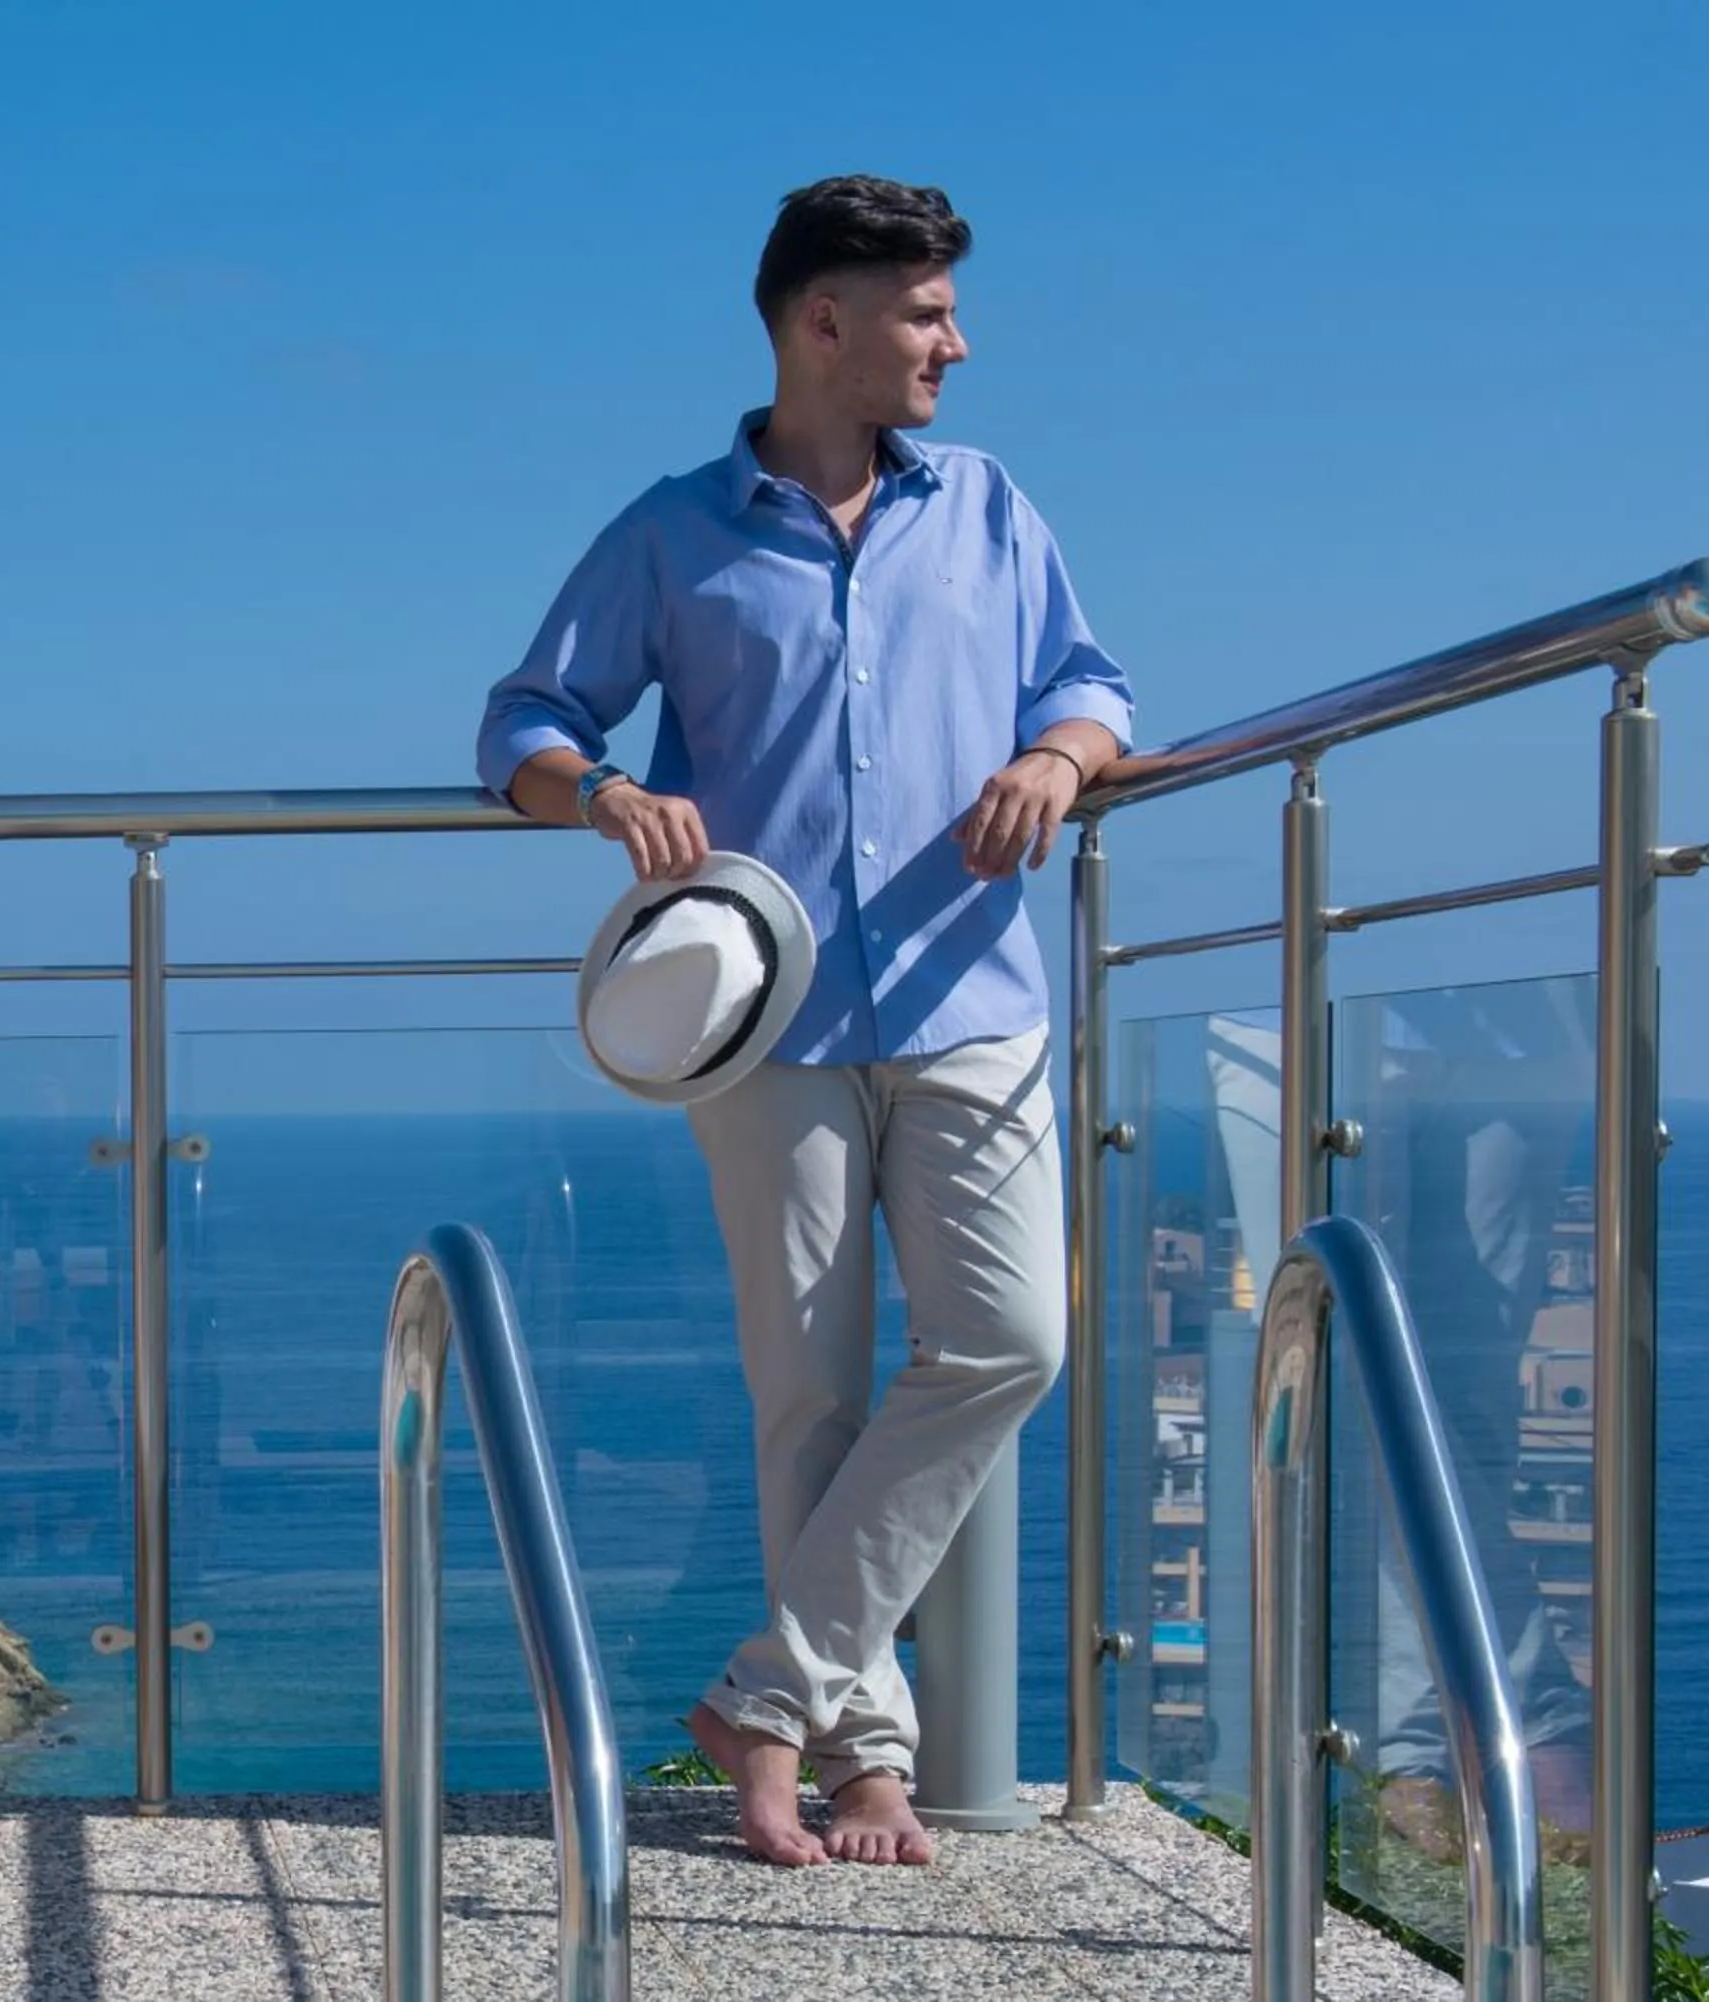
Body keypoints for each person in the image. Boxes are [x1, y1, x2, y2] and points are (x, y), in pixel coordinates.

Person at [473, 175, 1135, 1866]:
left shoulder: (988, 506)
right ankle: (860, 1763)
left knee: (1010, 1339)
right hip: (762, 1017)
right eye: (926, 313)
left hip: (973, 995)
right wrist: (607, 794)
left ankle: (767, 1695)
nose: (954, 345)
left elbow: (1090, 680)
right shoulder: (671, 533)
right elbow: (524, 720)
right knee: (808, 1398)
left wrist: (1057, 756)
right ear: (822, 322)